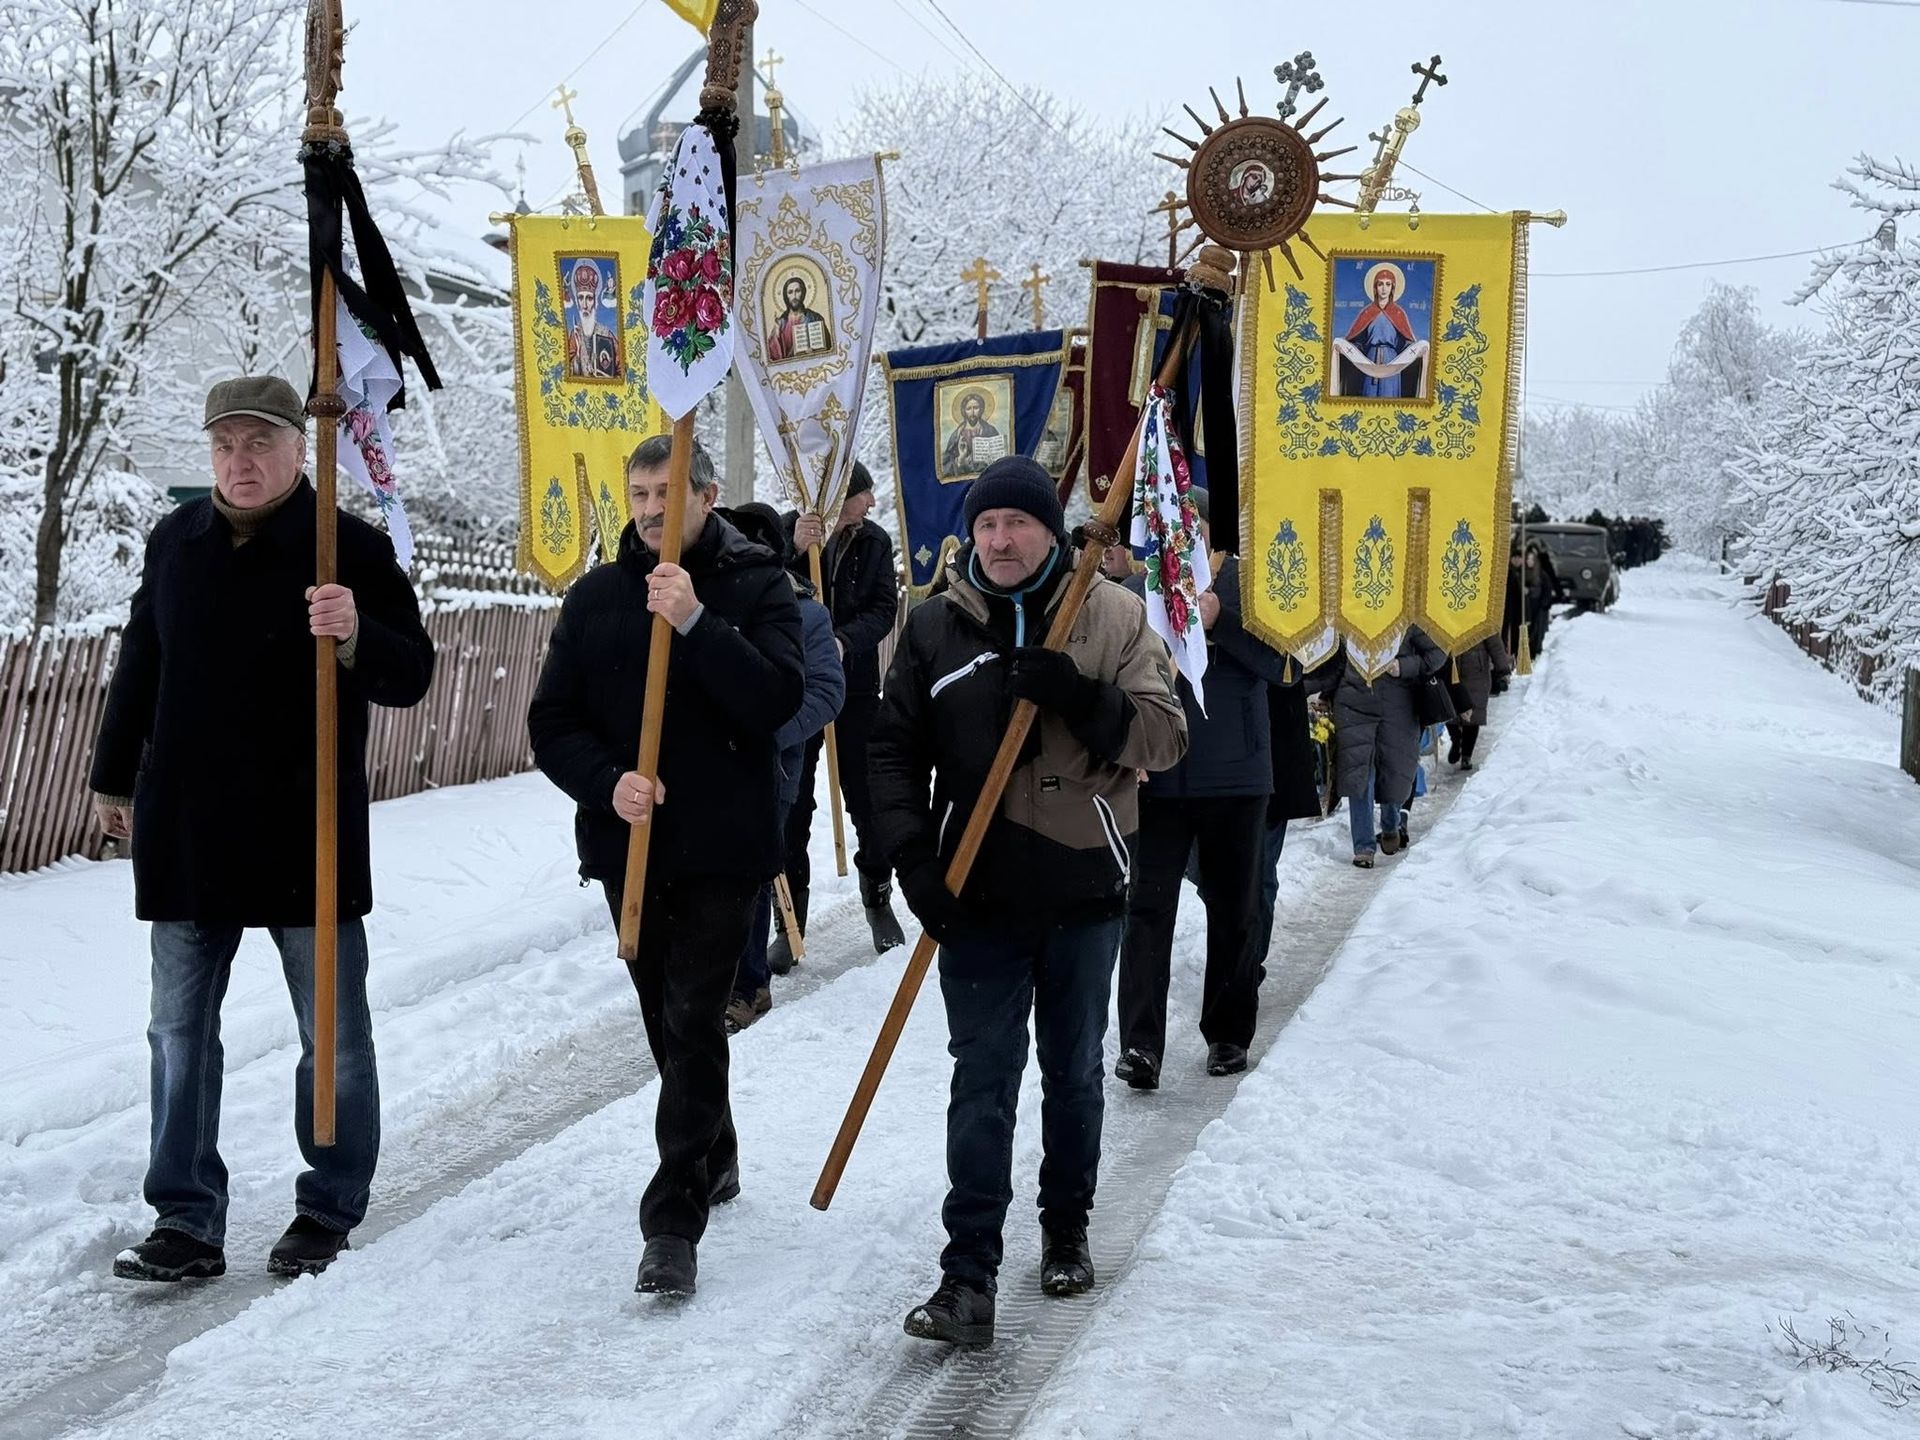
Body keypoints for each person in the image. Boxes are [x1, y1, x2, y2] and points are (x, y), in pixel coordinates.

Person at [90, 376, 434, 1283]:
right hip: (189, 827)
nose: (239, 464)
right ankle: (186, 1218)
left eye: (258, 445)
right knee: (177, 1032)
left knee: (334, 1033)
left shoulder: (344, 547)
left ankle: (327, 1204)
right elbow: (141, 662)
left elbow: (413, 674)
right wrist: (112, 775)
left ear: (297, 449)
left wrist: (358, 631)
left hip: (303, 829)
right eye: (224, 447)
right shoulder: (178, 541)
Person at [869, 456, 1187, 1346]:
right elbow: (890, 751)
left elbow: (1166, 739)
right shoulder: (933, 628)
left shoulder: (1113, 615)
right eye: (985, 526)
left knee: (1073, 1074)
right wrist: (911, 862)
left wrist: (1082, 700)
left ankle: (1065, 1230)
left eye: (1016, 523)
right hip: (974, 896)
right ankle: (967, 1274)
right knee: (981, 1083)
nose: (999, 541)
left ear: (1051, 530)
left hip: (1085, 886)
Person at [528, 435, 803, 1298]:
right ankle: (714, 1151)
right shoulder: (598, 598)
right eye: (638, 493)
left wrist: (694, 623)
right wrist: (608, 784)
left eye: (667, 491)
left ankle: (672, 1221)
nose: (650, 508)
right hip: (632, 852)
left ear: (707, 495)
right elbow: (552, 720)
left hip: (724, 850)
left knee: (691, 1018)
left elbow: (777, 699)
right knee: (664, 1019)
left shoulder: (759, 585)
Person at [1116, 488, 1290, 1089]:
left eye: (1192, 527)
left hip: (1237, 775)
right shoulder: (1140, 590)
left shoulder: (1252, 583)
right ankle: (1141, 1046)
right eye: (1171, 528)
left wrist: (1223, 620)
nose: (1181, 538)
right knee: (1146, 911)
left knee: (1234, 908)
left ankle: (1228, 1034)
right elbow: (1116, 674)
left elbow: (1285, 663)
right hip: (1157, 776)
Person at [719, 502, 843, 1032]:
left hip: (773, 769)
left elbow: (825, 693)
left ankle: (748, 987)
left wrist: (765, 735)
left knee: (748, 877)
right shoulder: (706, 604)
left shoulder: (805, 614)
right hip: (706, 769)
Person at [781, 462, 904, 962]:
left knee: (868, 798)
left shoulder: (874, 542)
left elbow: (882, 609)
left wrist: (842, 640)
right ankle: (790, 921)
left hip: (853, 689)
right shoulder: (786, 532)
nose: (871, 503)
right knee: (792, 806)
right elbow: (763, 587)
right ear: (838, 499)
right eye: (863, 494)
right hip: (796, 689)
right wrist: (791, 547)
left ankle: (878, 899)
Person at [1329, 626, 1447, 867]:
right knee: (1359, 773)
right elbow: (1335, 659)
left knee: (1393, 769)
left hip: (1398, 706)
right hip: (1353, 704)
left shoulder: (1410, 619)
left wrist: (1402, 667)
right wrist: (1321, 691)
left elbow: (1437, 653)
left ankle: (1391, 823)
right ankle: (1363, 847)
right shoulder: (1347, 613)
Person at [1447, 632, 1512, 771]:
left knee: (1474, 715)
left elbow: (1494, 643)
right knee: (1450, 710)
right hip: (1452, 668)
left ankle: (1466, 755)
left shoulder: (1482, 614)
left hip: (1477, 673)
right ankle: (1456, 739)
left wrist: (1502, 668)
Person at [565, 259, 621, 379]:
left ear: (595, 302)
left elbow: (622, 370)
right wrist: (578, 355)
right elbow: (565, 373)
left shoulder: (606, 333)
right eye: (581, 298)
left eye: (589, 298)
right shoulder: (574, 335)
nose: (584, 305)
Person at [766, 274, 830, 362]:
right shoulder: (781, 323)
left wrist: (816, 352)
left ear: (803, 293)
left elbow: (829, 348)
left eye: (797, 291)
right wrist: (776, 336)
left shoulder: (815, 318)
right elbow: (772, 357)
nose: (794, 296)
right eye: (790, 292)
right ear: (786, 296)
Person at [940, 389, 1003, 477]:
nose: (972, 412)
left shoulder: (990, 431)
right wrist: (960, 460)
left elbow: (1000, 457)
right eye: (969, 409)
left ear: (981, 409)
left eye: (976, 408)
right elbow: (945, 463)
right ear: (964, 411)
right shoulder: (957, 434)